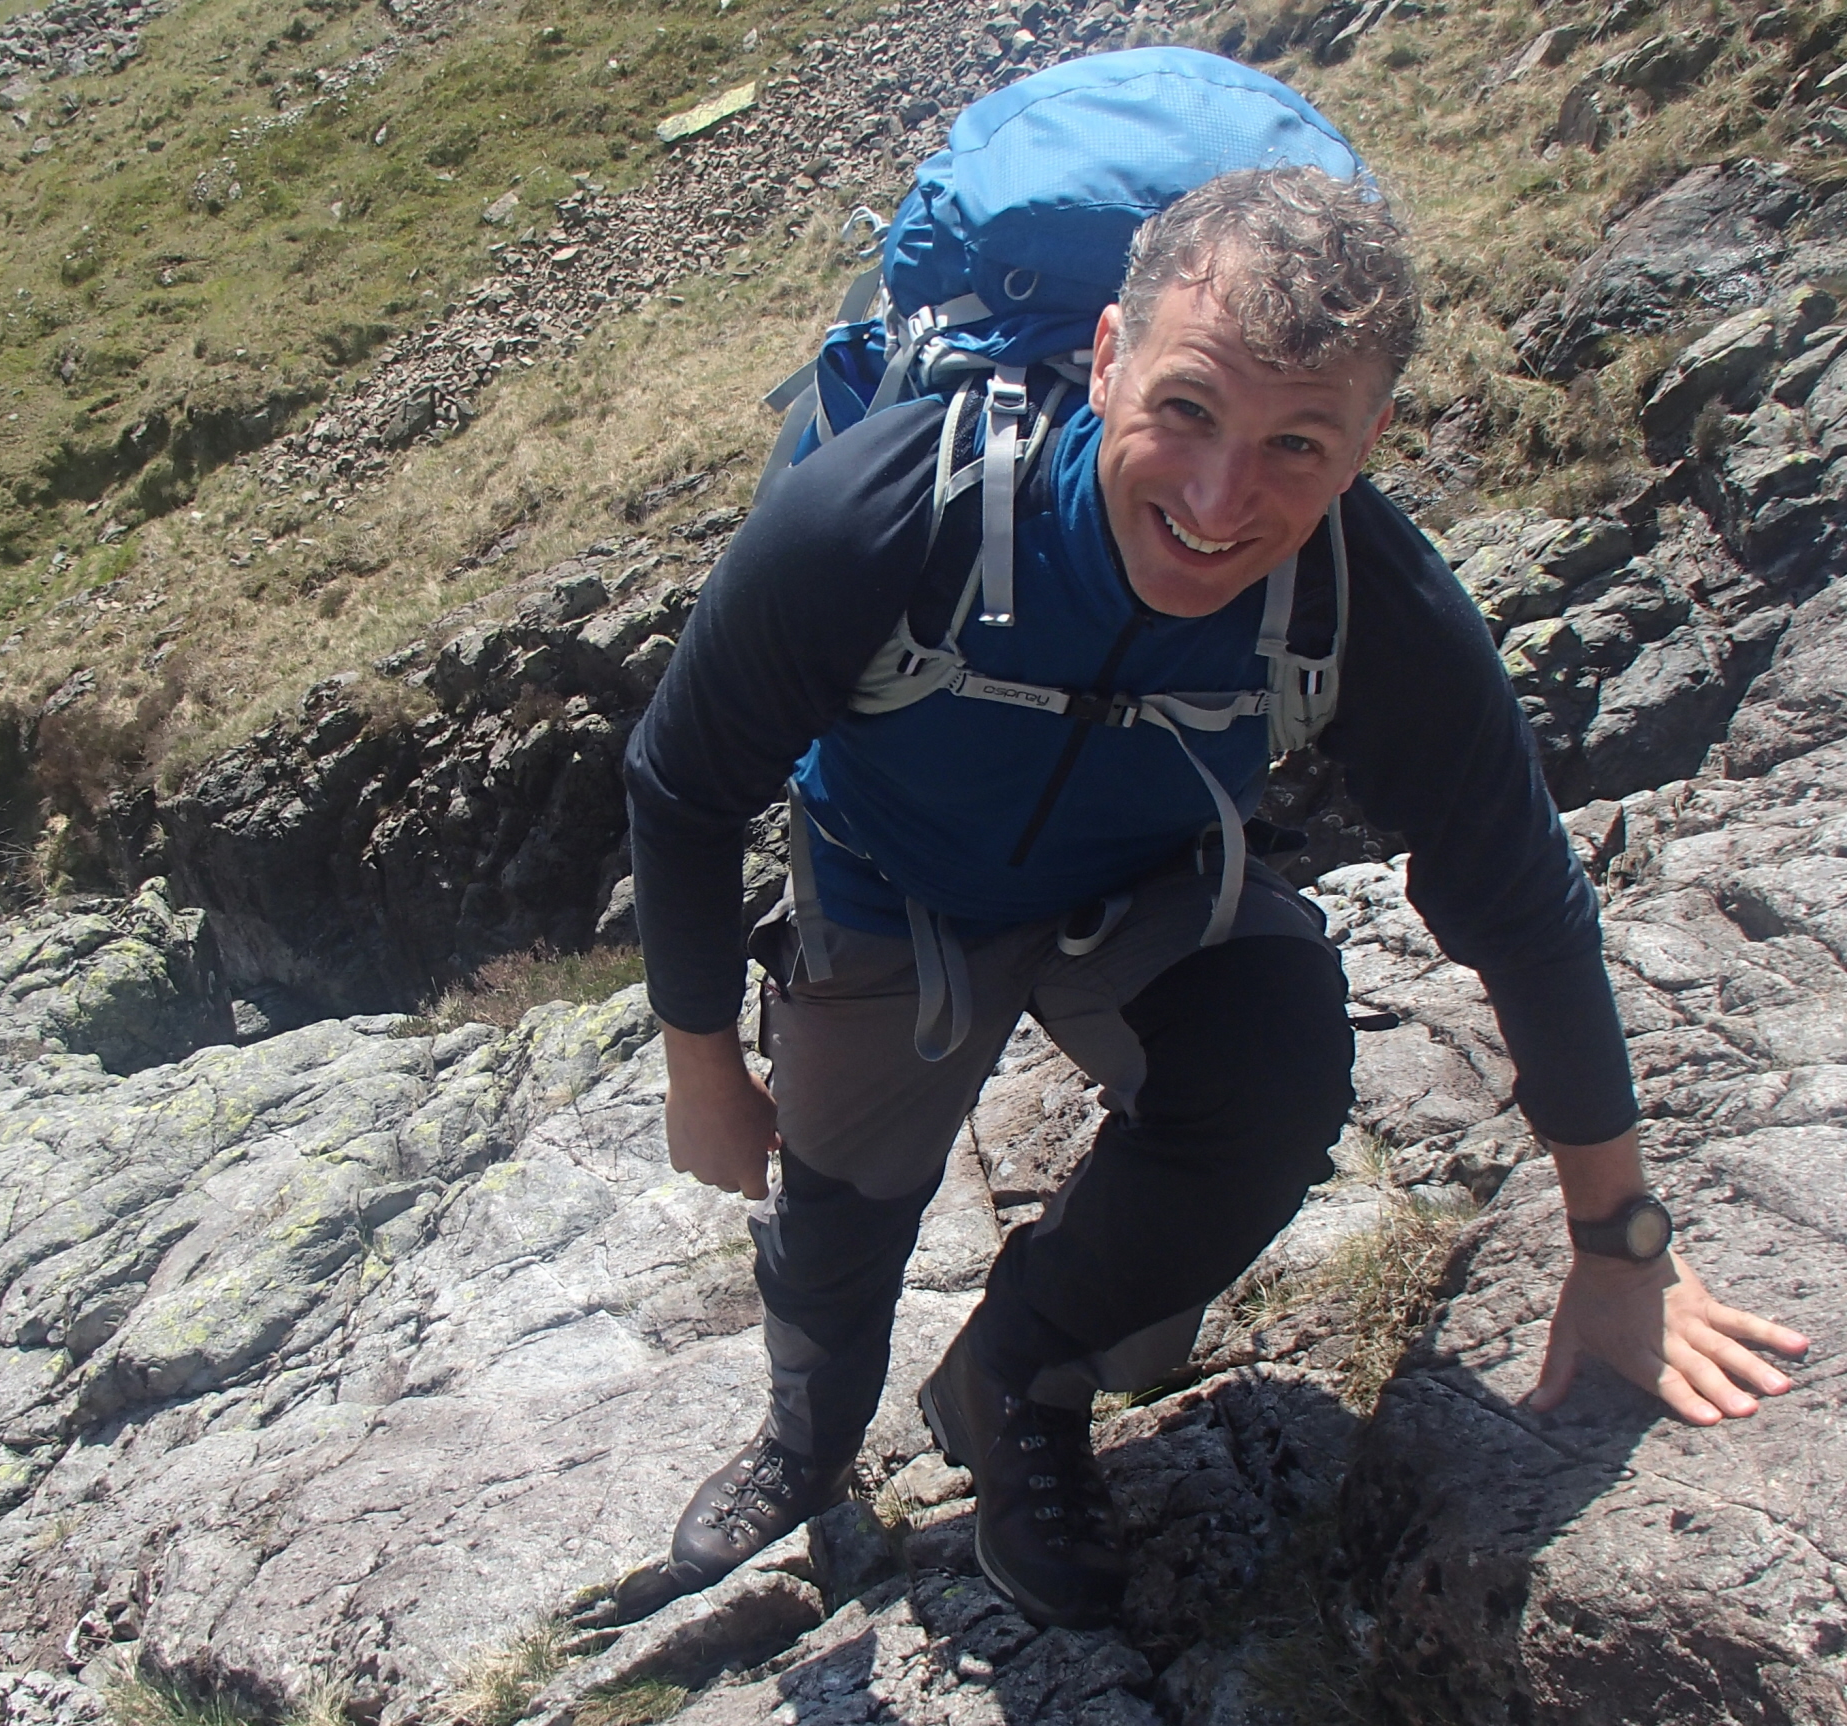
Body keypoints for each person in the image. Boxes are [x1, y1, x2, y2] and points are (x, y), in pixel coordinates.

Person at [618, 164, 1809, 1632]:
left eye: (1298, 443)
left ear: (1369, 442)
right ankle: (804, 1448)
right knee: (839, 1215)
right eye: (1187, 408)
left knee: (1275, 1059)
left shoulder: (1365, 597)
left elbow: (1520, 893)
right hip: (890, 889)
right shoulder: (888, 514)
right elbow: (679, 779)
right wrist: (702, 1067)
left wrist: (1620, 1244)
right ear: (1107, 354)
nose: (1219, 496)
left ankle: (1019, 1376)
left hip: (1145, 883)